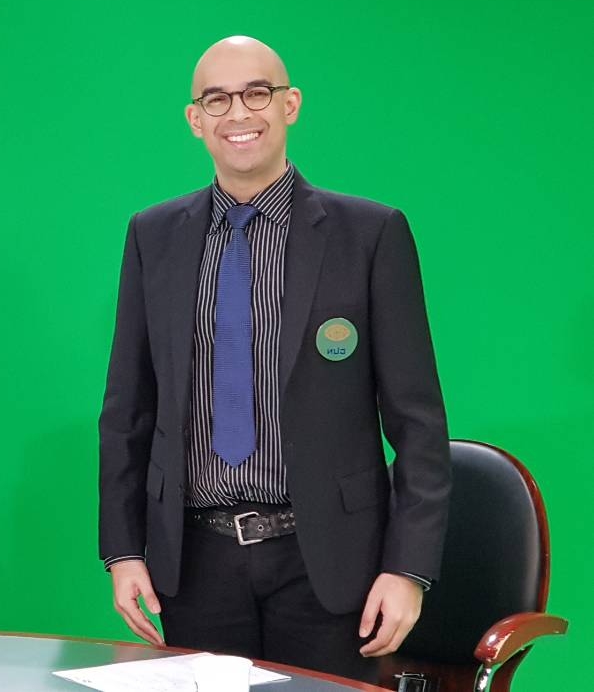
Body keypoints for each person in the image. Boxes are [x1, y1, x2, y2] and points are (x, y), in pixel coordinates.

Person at [98, 36, 450, 682]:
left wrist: (407, 570)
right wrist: (122, 551)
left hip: (330, 563)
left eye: (256, 93)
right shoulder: (153, 235)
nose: (239, 113)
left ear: (290, 105)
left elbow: (418, 421)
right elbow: (128, 408)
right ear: (195, 119)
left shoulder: (370, 235)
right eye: (217, 99)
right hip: (194, 563)